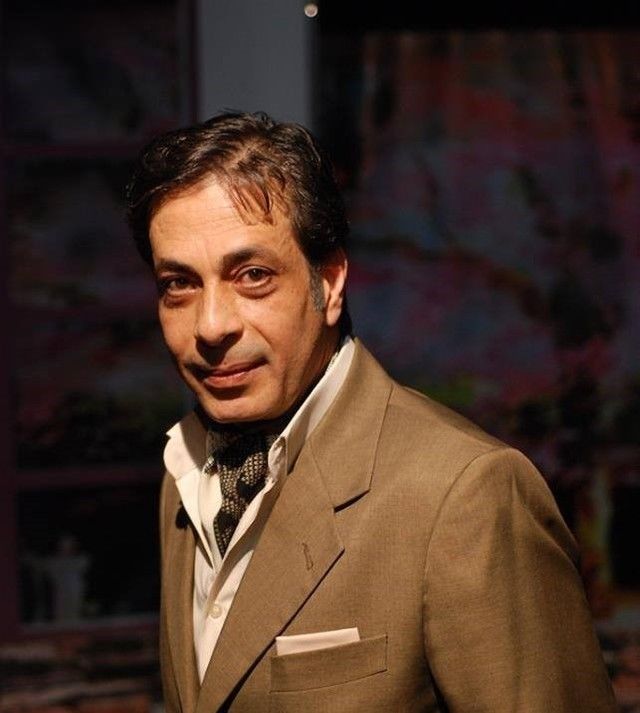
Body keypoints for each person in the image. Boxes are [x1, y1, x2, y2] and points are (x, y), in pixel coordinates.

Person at [126, 111, 616, 712]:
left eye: (252, 276)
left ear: (330, 283)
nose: (210, 326)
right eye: (179, 284)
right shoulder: (186, 472)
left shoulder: (465, 493)